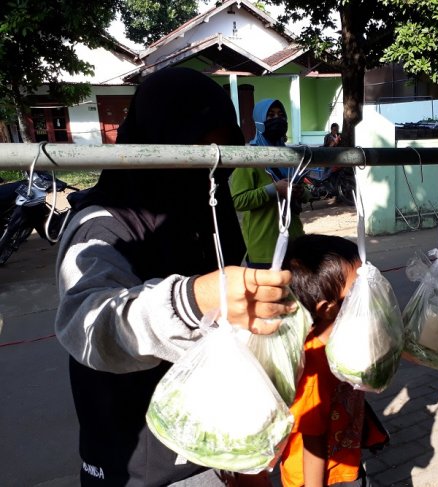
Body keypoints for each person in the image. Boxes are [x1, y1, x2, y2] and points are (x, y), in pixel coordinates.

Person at [54, 68, 295, 486]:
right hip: (140, 464)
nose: (212, 168)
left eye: (224, 153)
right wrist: (192, 300)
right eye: (199, 151)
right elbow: (88, 324)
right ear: (159, 141)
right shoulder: (102, 225)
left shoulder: (207, 211)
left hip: (218, 445)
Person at [279, 234, 387, 487]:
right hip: (315, 476)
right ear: (328, 308)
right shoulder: (314, 365)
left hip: (345, 462)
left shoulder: (349, 339)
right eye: (357, 288)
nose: (367, 291)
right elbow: (312, 443)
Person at [230, 98, 306, 268]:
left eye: (280, 115)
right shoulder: (249, 158)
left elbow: (304, 189)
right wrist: (274, 189)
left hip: (295, 241)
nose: (277, 119)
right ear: (259, 121)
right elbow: (238, 201)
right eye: (270, 116)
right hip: (265, 247)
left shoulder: (290, 155)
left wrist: (302, 191)